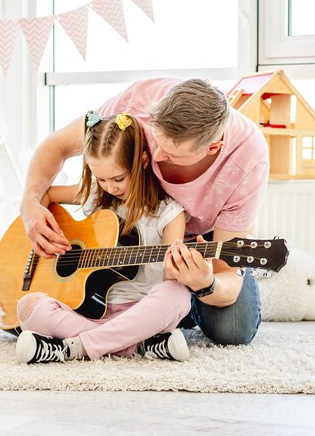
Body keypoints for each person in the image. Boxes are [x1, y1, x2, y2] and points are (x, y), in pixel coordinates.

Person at [21, 78, 269, 346]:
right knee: (26, 307)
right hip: (121, 237)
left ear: (213, 148)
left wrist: (205, 283)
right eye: (156, 140)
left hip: (202, 246)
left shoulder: (248, 160)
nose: (156, 156)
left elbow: (227, 277)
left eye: (172, 153)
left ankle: (99, 337)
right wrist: (31, 203)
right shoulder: (137, 104)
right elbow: (56, 145)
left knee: (232, 330)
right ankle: (136, 336)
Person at [15, 112, 191, 364]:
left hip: (140, 313)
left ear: (142, 162)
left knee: (177, 295)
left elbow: (169, 280)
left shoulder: (169, 214)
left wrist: (185, 270)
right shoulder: (96, 194)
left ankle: (72, 348)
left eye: (118, 178)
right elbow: (46, 196)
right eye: (101, 178)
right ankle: (136, 345)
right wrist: (44, 230)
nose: (110, 187)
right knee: (28, 306)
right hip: (89, 312)